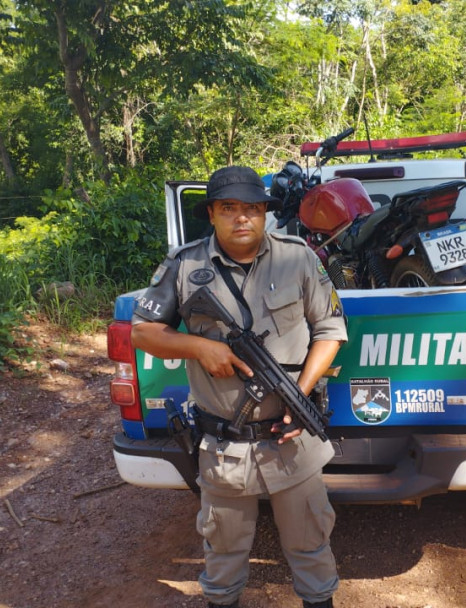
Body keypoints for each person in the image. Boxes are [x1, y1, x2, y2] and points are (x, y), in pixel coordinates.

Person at [130, 165, 347, 608]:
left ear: (266, 214)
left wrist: (300, 393)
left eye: (253, 208)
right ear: (211, 213)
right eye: (229, 208)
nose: (242, 218)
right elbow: (142, 332)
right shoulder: (185, 265)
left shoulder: (299, 257)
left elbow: (330, 329)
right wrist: (198, 347)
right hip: (223, 447)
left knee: (311, 547)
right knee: (224, 554)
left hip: (292, 441)